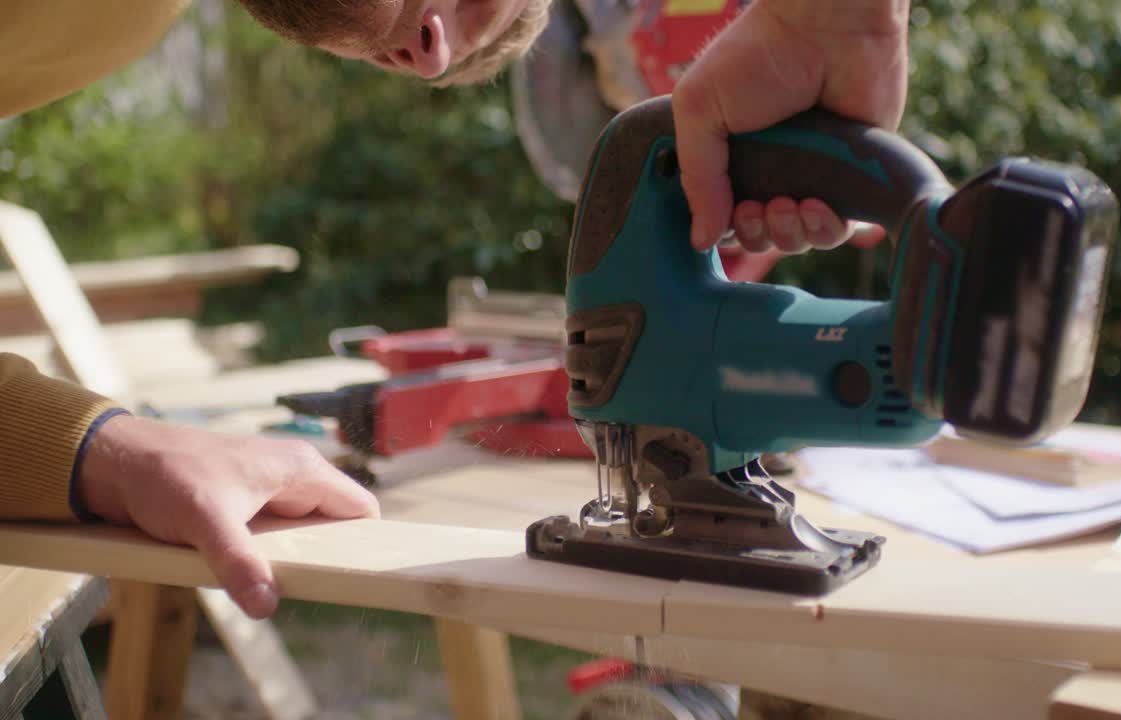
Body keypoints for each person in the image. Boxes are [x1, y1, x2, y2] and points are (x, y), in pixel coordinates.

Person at [0, 0, 908, 619]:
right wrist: (103, 448)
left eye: (441, 49)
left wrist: (101, 449)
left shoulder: (106, 24)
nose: (430, 58)